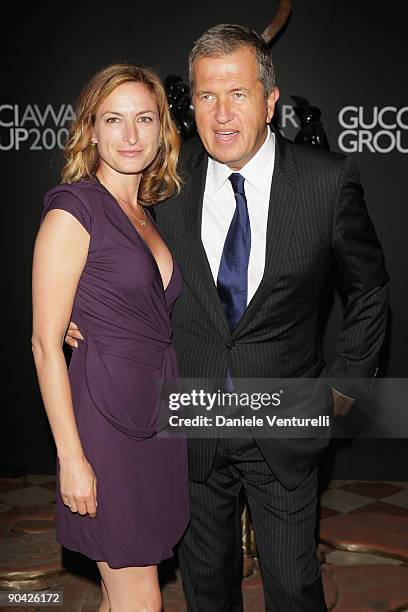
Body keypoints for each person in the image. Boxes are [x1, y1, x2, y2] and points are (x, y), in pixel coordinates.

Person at [65, 25, 389, 612]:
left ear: (270, 100)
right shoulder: (165, 180)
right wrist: (75, 316)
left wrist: (343, 390)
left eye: (238, 94)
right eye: (207, 96)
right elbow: (107, 257)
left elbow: (370, 290)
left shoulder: (326, 181)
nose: (220, 114)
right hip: (191, 427)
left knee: (294, 590)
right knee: (206, 591)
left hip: (286, 422)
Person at [32, 62, 189, 612]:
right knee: (140, 596)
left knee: (122, 590)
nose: (130, 135)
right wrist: (71, 457)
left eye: (144, 119)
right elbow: (45, 343)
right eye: (114, 120)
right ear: (91, 129)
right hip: (105, 419)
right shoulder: (74, 209)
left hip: (157, 412)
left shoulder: (146, 211)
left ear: (161, 130)